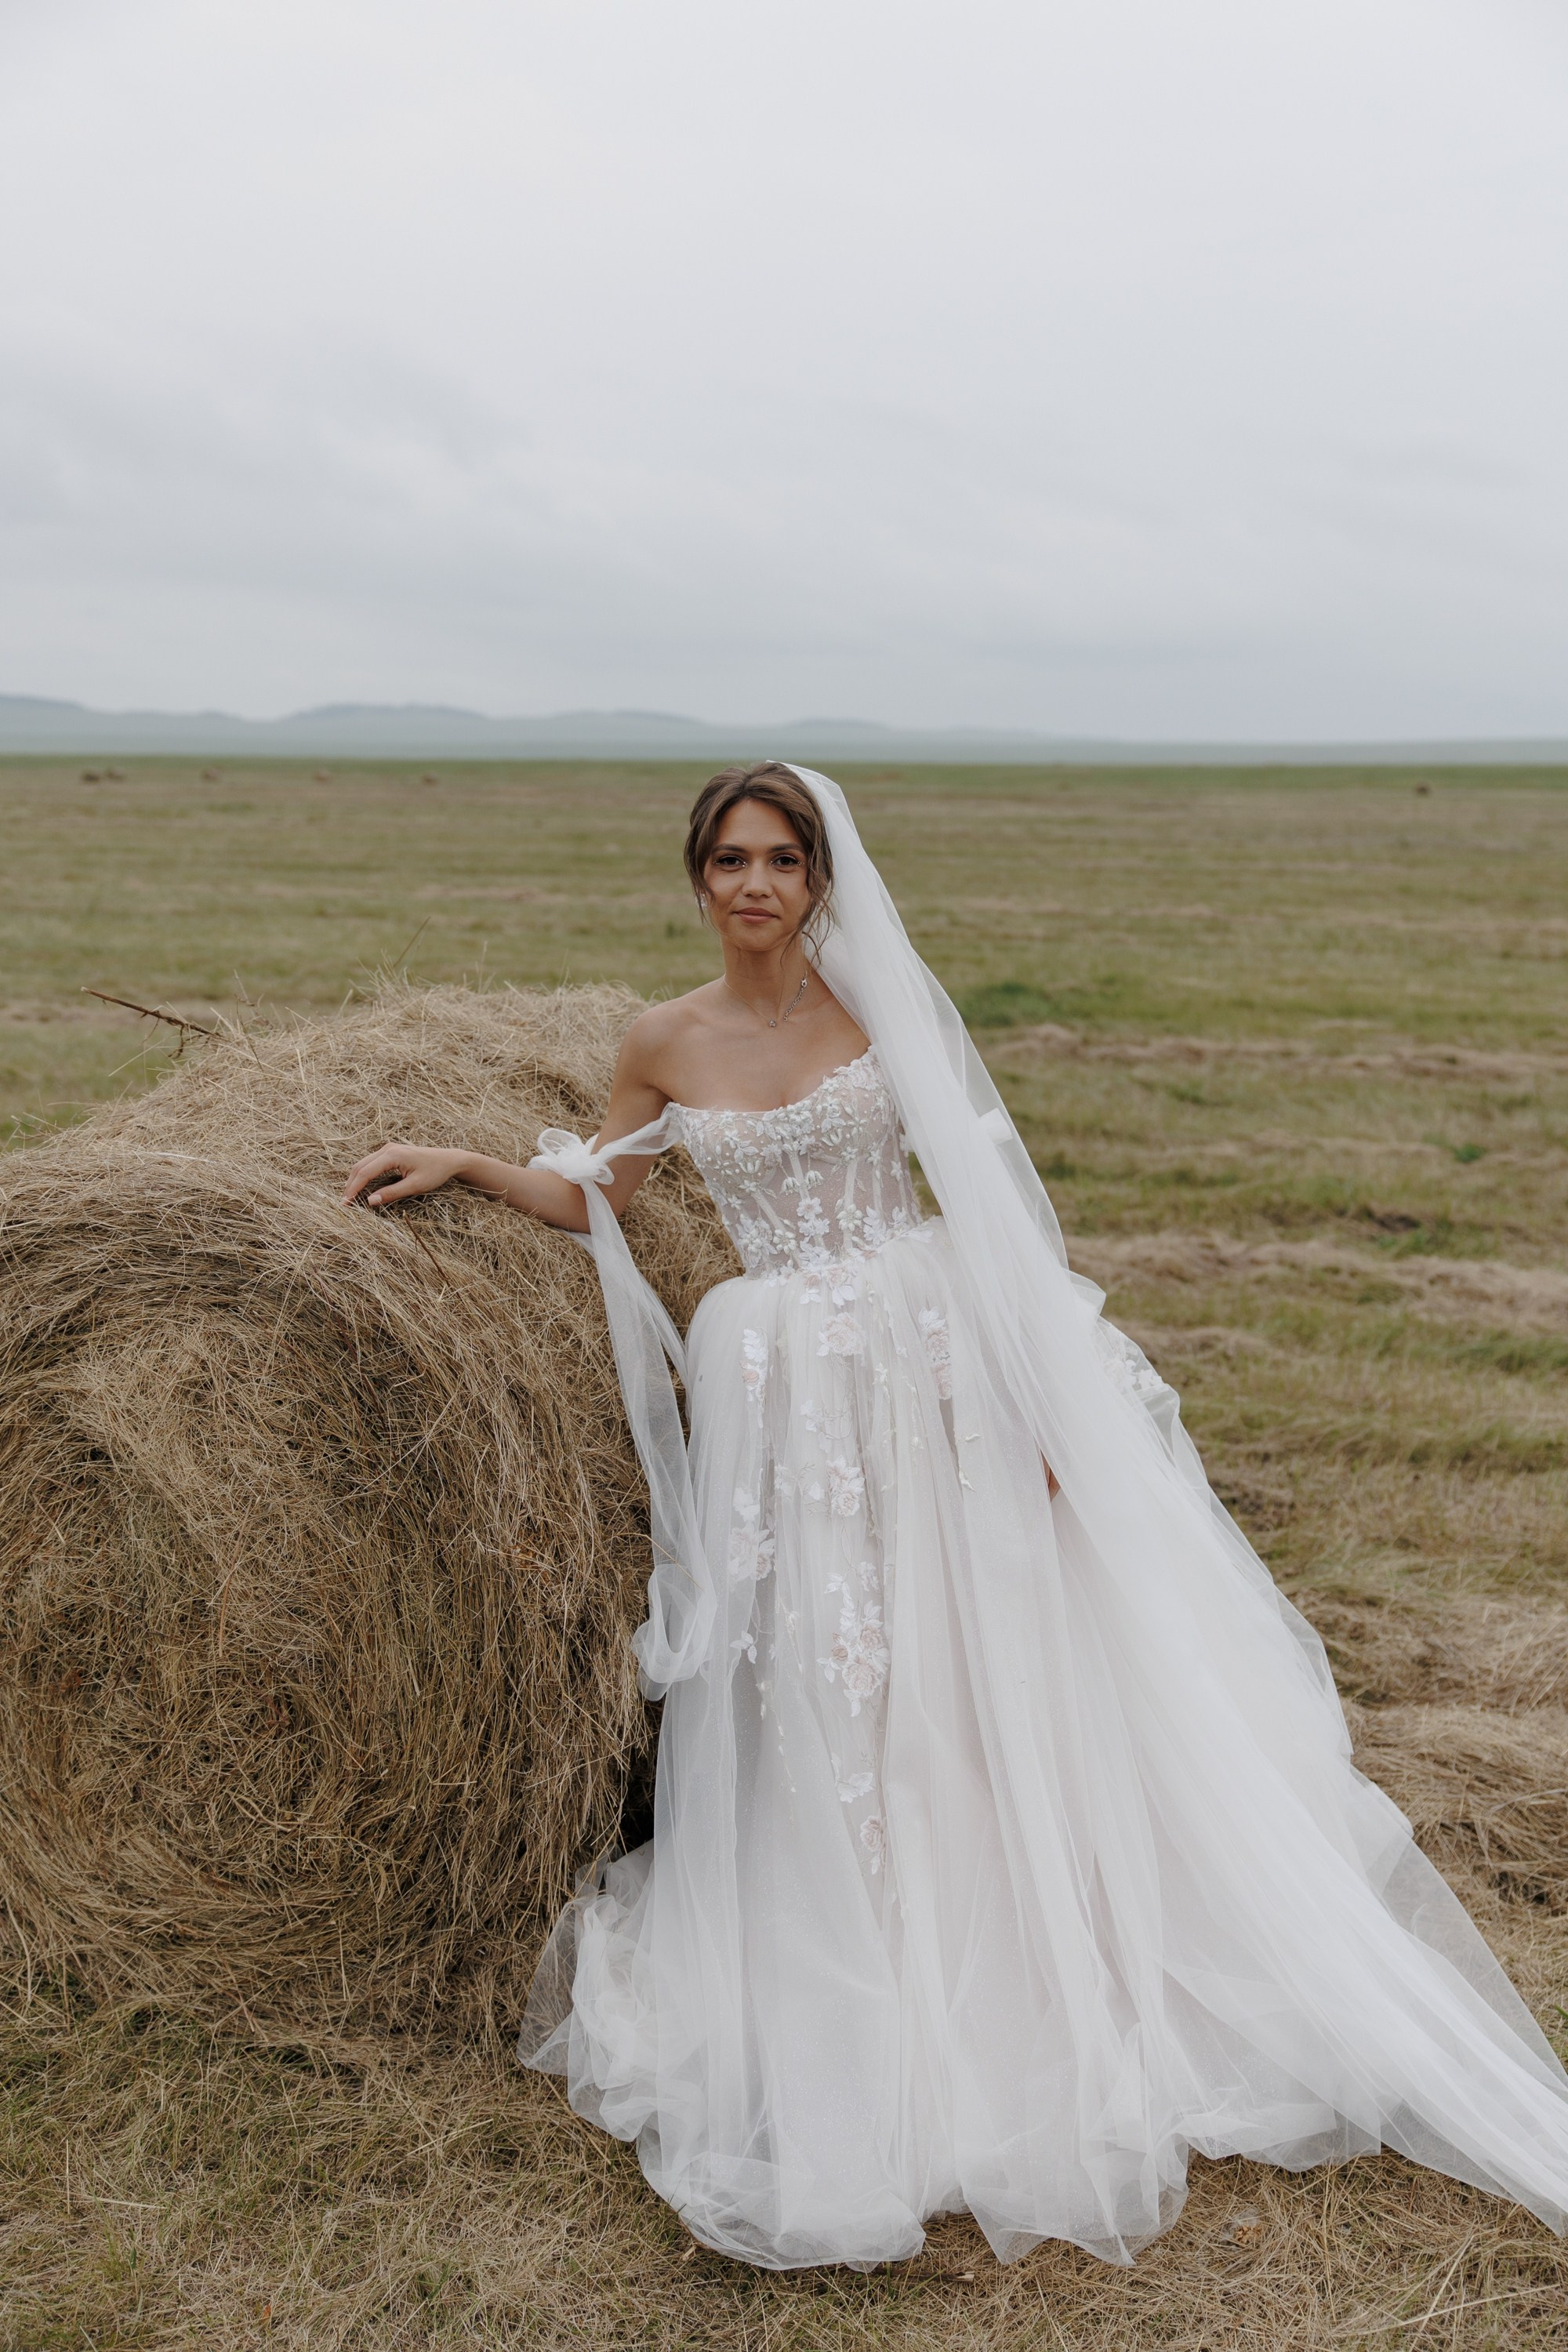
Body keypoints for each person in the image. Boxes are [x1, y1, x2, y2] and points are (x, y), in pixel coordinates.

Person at [344, 760, 1568, 2272]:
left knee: (976, 1657)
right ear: (696, 880)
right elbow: (616, 1189)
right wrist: (471, 1167)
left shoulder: (883, 1018)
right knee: (828, 1678)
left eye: (782, 859)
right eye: (729, 860)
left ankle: (1038, 1974)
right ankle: (862, 1974)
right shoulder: (661, 1039)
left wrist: (1052, 1402)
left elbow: (990, 1215)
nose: (754, 885)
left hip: (932, 1364)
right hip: (781, 1391)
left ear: (819, 881)